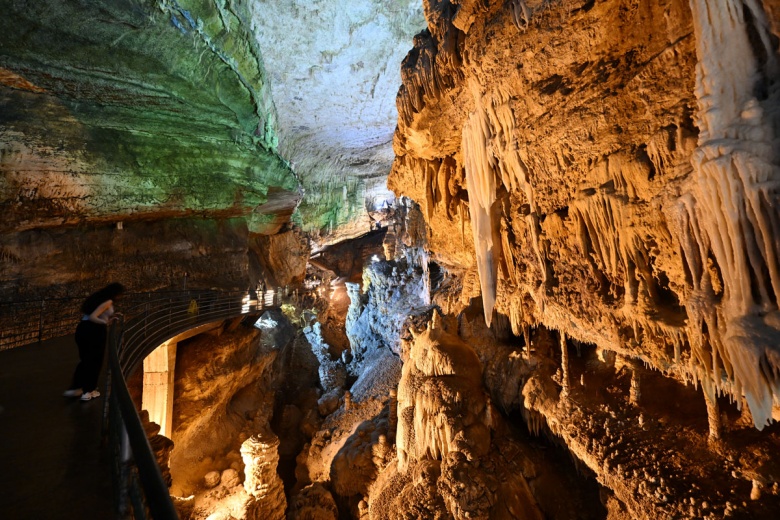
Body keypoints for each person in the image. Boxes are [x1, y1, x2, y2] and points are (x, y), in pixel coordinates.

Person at [63, 282, 125, 401]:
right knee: (95, 361)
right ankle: (88, 391)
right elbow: (93, 317)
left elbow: (94, 315)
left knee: (85, 360)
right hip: (94, 331)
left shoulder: (97, 298)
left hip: (82, 329)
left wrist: (109, 317)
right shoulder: (108, 301)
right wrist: (106, 322)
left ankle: (75, 388)